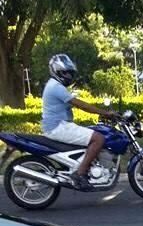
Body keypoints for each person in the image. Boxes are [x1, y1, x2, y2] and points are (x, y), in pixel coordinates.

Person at [41, 54, 120, 192]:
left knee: (94, 135)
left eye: (70, 73)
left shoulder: (55, 85)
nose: (69, 76)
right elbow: (81, 105)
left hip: (60, 125)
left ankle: (85, 167)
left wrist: (101, 113)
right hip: (58, 127)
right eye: (65, 73)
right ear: (57, 71)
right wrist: (105, 113)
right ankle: (80, 173)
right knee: (98, 138)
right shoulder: (56, 87)